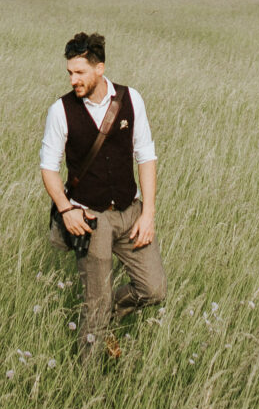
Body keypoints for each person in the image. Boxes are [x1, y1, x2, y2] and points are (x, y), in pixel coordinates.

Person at [38, 30, 165, 359]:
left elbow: (146, 156)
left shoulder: (130, 99)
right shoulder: (60, 111)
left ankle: (109, 318)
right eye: (69, 72)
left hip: (130, 211)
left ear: (100, 69)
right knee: (95, 306)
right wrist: (67, 211)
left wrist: (148, 213)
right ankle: (89, 389)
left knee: (153, 289)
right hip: (89, 218)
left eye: (79, 72)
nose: (73, 80)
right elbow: (48, 168)